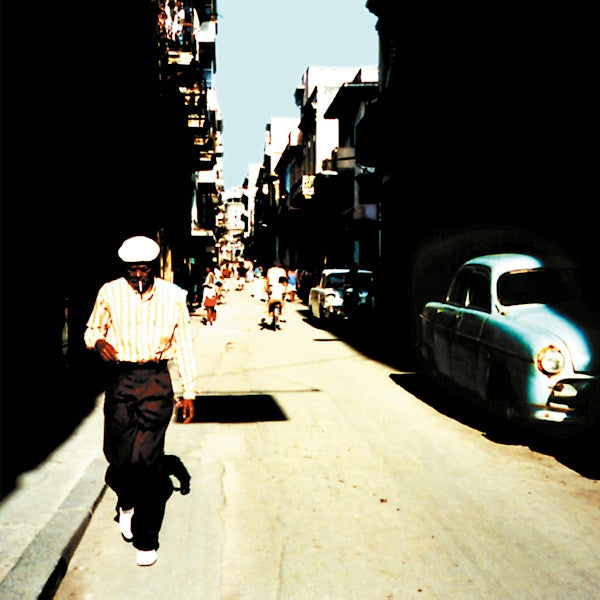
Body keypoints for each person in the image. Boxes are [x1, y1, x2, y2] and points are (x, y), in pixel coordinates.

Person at [84, 235, 198, 567]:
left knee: (148, 462)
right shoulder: (109, 292)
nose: (138, 275)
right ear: (124, 268)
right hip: (121, 380)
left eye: (143, 269)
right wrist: (98, 342)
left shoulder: (173, 296)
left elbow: (184, 344)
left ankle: (147, 539)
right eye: (132, 269)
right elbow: (91, 329)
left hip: (156, 381)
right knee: (120, 458)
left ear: (154, 266)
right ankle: (126, 501)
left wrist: (188, 391)